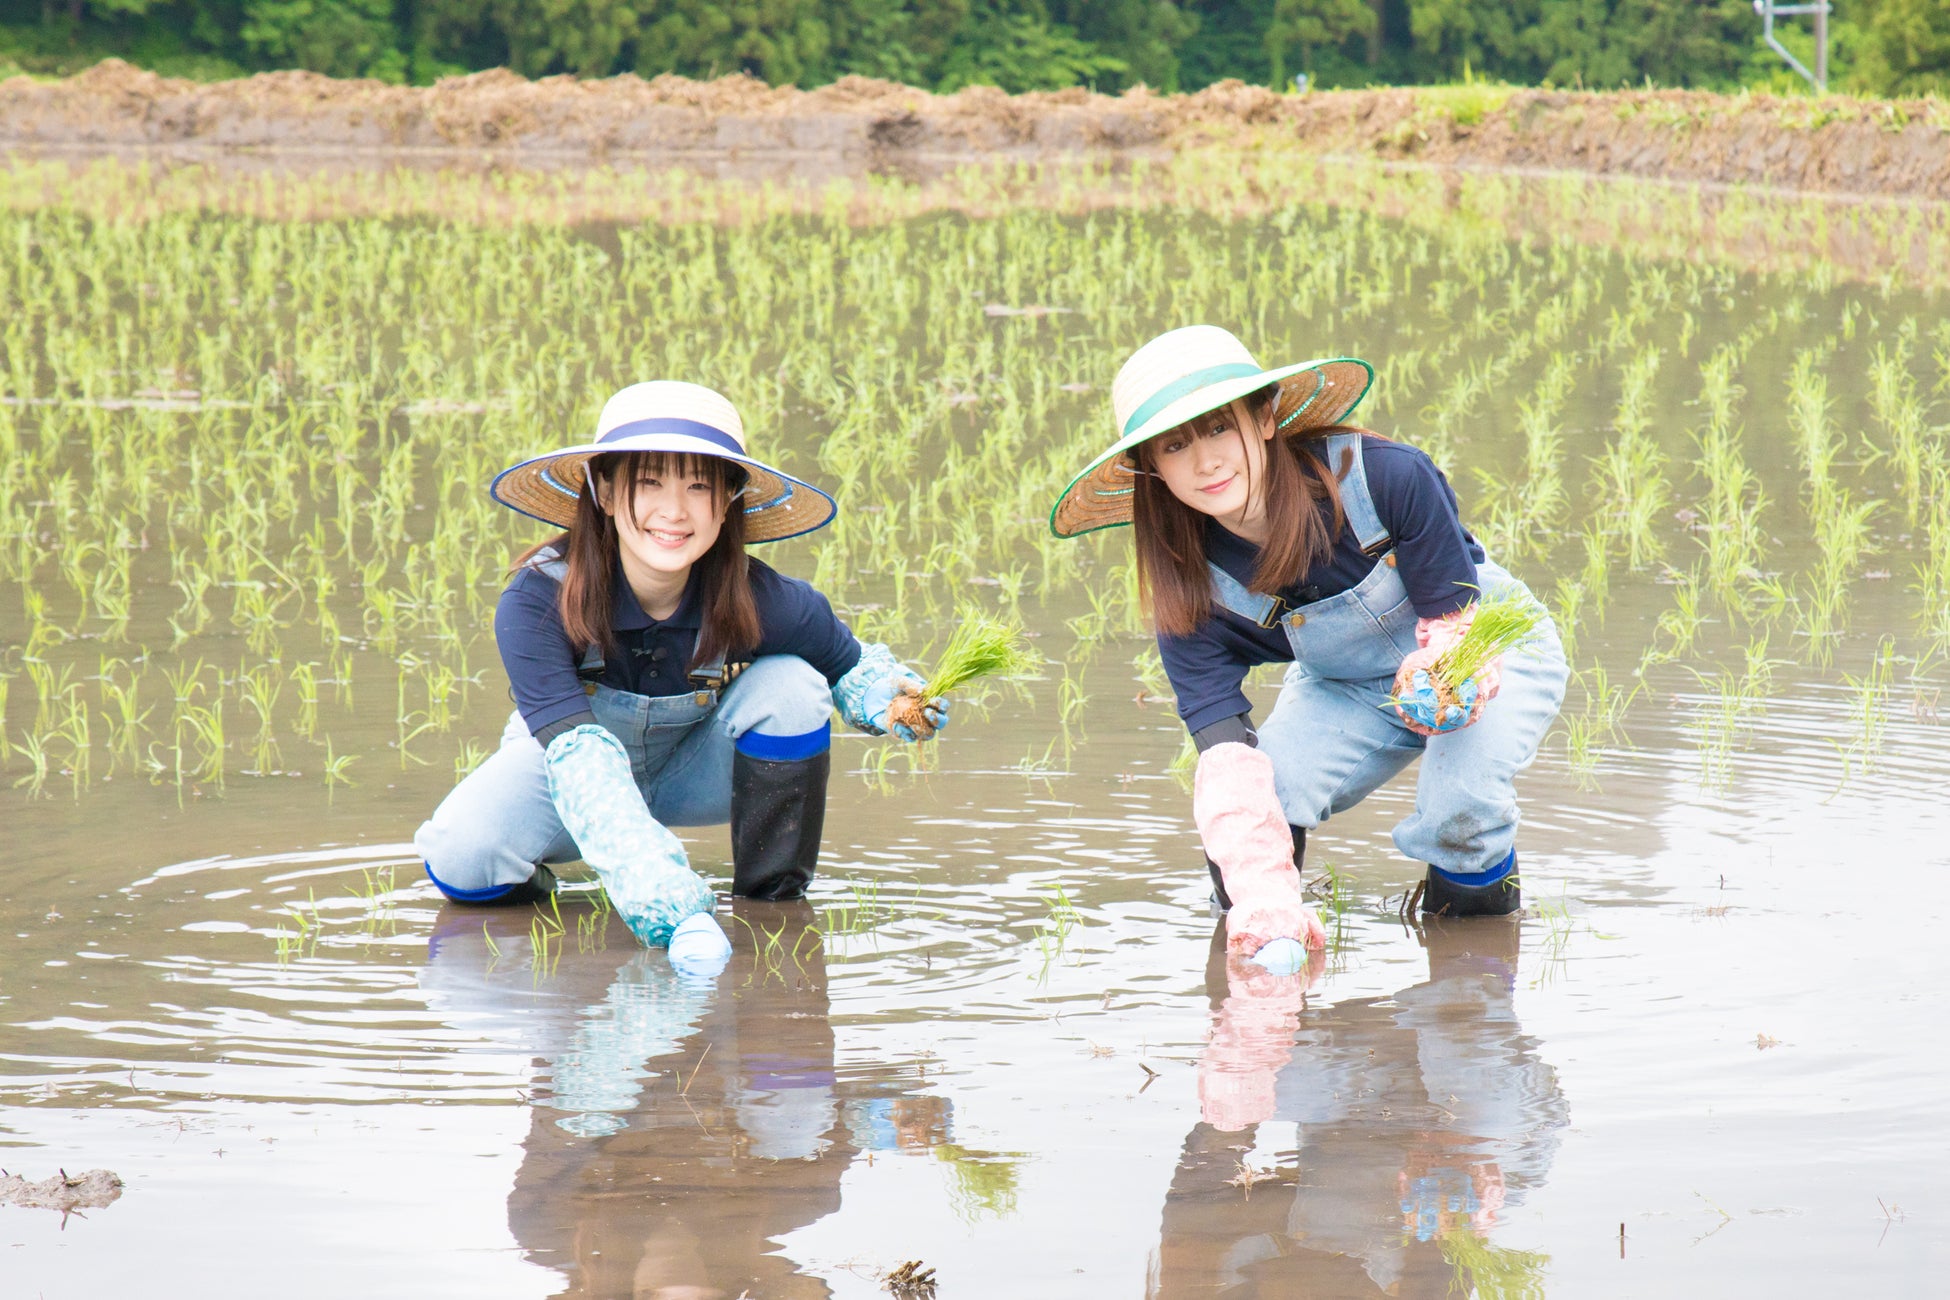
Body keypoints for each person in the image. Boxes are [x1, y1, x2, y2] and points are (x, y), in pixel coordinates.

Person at [1049, 326, 1567, 967]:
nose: (1205, 461)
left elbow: (1456, 624)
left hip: (1480, 651)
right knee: (1257, 809)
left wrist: (1446, 672)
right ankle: (1262, 973)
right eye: (1176, 446)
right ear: (1153, 467)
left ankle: (1471, 986)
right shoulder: (1191, 588)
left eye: (1218, 428)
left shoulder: (1384, 479)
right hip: (1345, 687)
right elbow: (1225, 756)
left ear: (1264, 417)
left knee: (1459, 803)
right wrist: (1264, 902)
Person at [414, 381, 946, 965]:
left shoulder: (767, 599)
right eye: (650, 483)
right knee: (462, 857)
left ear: (728, 501)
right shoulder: (538, 600)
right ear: (607, 492)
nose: (675, 511)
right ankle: (568, 906)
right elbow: (579, 758)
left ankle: (771, 913)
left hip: (697, 769)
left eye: (699, 486)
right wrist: (672, 907)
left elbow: (854, 667)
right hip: (567, 771)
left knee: (794, 683)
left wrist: (892, 702)